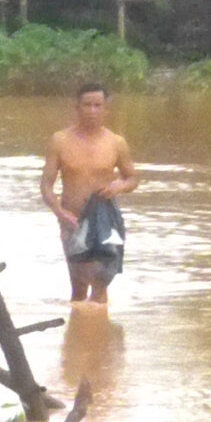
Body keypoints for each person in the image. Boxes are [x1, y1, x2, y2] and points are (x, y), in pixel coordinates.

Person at [40, 82, 137, 304]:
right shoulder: (60, 141)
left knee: (100, 283)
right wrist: (59, 212)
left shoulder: (116, 143)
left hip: (105, 220)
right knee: (79, 286)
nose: (92, 111)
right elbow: (46, 184)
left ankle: (98, 332)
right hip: (72, 220)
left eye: (97, 105)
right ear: (77, 107)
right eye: (87, 105)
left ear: (106, 109)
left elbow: (133, 178)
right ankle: (79, 332)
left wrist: (117, 187)